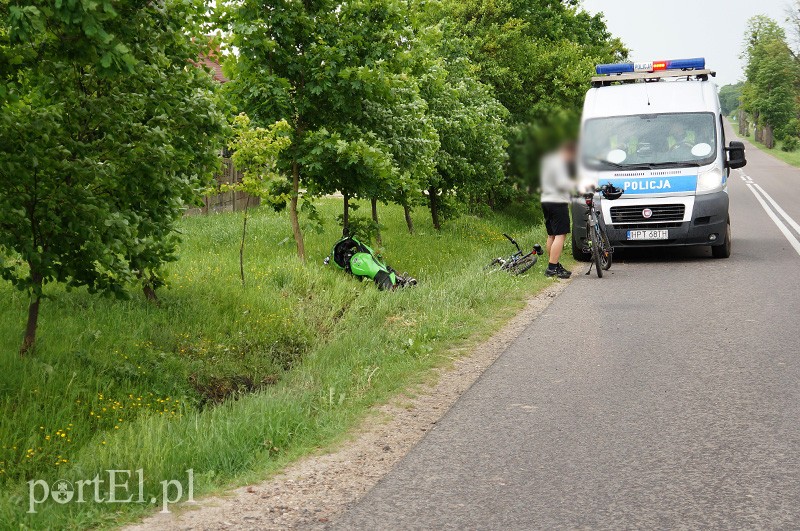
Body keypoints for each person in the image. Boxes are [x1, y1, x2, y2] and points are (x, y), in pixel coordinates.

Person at [539, 141, 576, 279]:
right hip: (557, 201)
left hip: (546, 199)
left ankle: (555, 265)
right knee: (560, 235)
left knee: (552, 235)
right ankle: (551, 268)